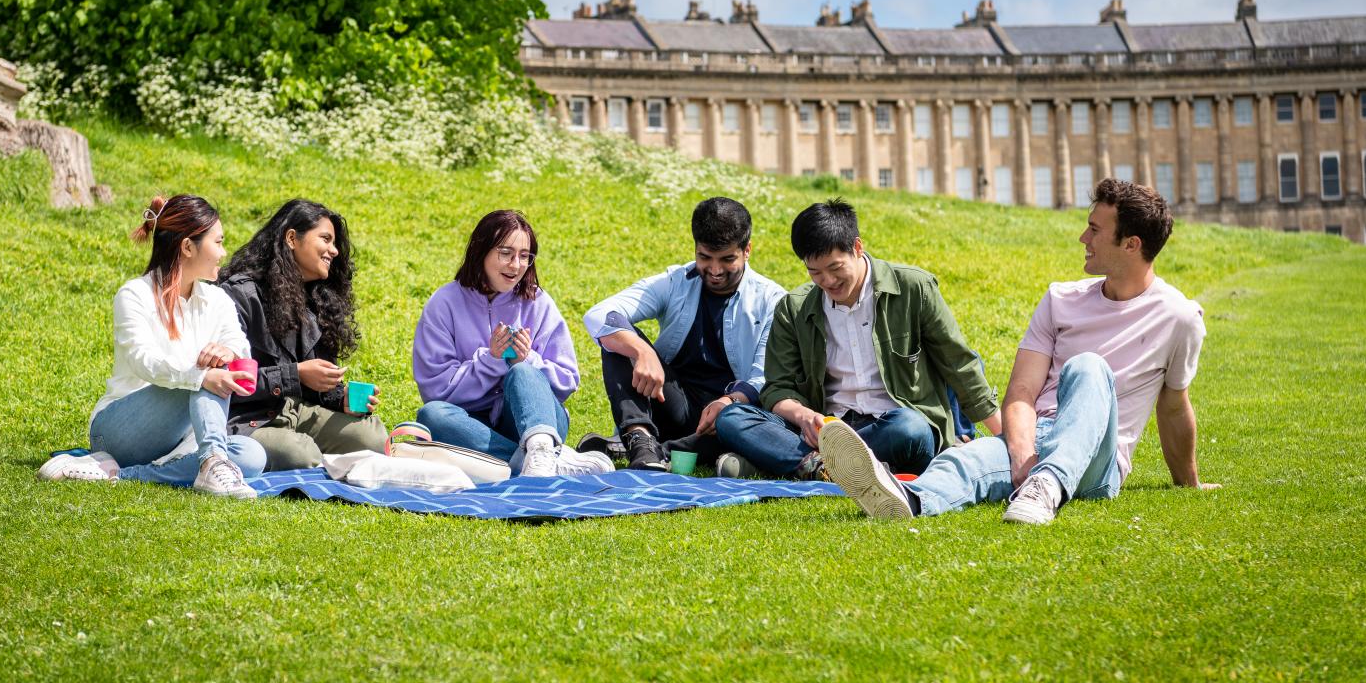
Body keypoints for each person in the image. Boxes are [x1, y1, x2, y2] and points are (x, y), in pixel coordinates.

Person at [819, 178, 1216, 525]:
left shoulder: (1179, 317)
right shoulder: (1061, 299)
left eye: (1094, 230)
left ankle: (1049, 484)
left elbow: (1174, 405)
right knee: (967, 459)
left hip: (1099, 459)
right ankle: (910, 499)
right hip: (1036, 433)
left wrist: (1190, 482)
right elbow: (1023, 391)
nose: (1083, 238)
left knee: (1088, 367)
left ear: (1131, 244)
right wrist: (1021, 450)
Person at [716, 198, 1001, 480]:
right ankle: (837, 468)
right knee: (732, 418)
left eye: (835, 268)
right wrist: (803, 416)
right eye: (815, 272)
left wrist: (1007, 440)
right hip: (826, 429)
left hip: (891, 425)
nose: (827, 281)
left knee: (910, 428)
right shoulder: (794, 309)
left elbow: (959, 364)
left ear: (857, 247)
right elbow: (777, 387)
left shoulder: (914, 288)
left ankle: (803, 465)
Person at [37, 194, 265, 498]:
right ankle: (211, 462)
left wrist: (230, 353)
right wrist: (200, 376)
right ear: (187, 247)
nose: (224, 252)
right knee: (204, 375)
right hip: (121, 430)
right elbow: (144, 360)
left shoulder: (218, 300)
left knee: (252, 456)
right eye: (218, 242)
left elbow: (241, 352)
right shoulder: (134, 295)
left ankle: (123, 474)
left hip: (181, 438)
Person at [578, 197, 787, 470]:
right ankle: (640, 440)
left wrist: (728, 401)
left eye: (727, 259)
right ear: (695, 249)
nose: (714, 270)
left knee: (735, 426)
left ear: (747, 250)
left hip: (730, 414)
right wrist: (641, 351)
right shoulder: (676, 281)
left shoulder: (771, 299)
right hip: (672, 402)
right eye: (705, 257)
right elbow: (599, 315)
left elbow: (765, 376)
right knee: (618, 339)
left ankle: (651, 449)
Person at [413, 210, 610, 477]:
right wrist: (490, 361)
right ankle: (544, 461)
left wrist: (527, 361)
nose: (515, 265)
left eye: (524, 256)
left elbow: (567, 379)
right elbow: (437, 390)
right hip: (473, 427)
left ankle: (539, 448)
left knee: (522, 372)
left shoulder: (538, 302)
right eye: (505, 253)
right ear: (480, 251)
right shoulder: (444, 303)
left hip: (537, 421)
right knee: (431, 416)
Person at [217, 199, 390, 470]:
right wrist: (295, 374)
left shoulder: (319, 300)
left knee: (374, 437)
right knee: (301, 454)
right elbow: (228, 382)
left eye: (334, 243)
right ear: (291, 238)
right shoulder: (241, 295)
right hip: (247, 416)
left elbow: (316, 384)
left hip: (298, 410)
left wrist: (339, 398)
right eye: (325, 239)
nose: (333, 251)